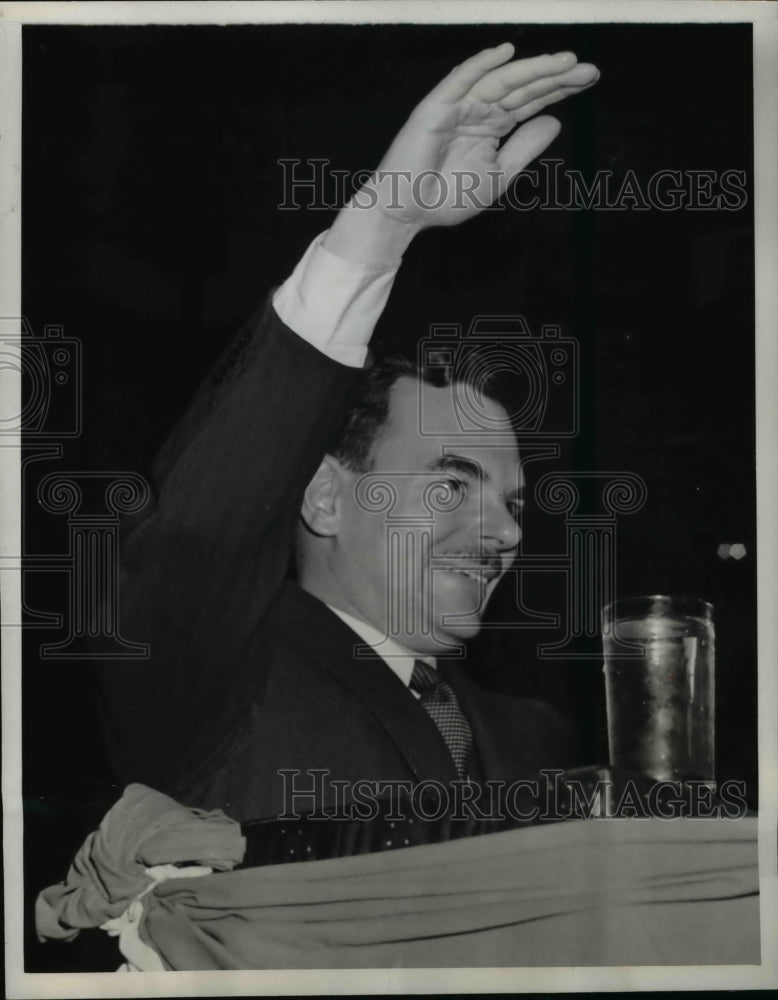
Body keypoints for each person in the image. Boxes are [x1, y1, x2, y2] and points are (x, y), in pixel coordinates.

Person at [97, 43, 600, 822]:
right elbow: (197, 527)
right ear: (326, 496)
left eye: (515, 504)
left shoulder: (537, 740)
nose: (502, 530)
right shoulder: (213, 674)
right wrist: (385, 222)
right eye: (451, 482)